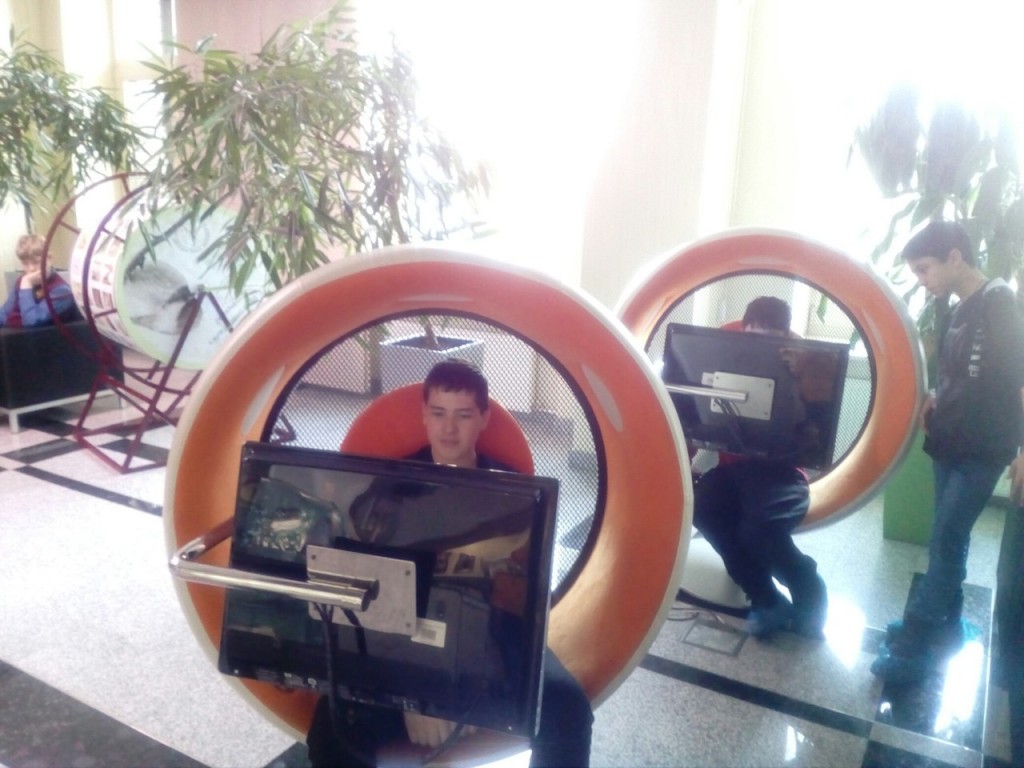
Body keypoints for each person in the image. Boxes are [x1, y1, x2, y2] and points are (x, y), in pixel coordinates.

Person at [307, 359, 593, 767]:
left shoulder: (516, 492)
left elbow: (528, 602)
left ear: (484, 419)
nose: (449, 429)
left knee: (568, 709)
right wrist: (415, 693)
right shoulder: (392, 488)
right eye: (439, 414)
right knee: (330, 727)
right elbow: (370, 601)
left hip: (493, 634)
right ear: (424, 416)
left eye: (463, 415)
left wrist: (470, 685)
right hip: (405, 641)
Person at [872, 220, 1024, 683]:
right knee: (948, 537)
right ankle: (949, 626)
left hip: (983, 448)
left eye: (925, 269)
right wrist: (936, 394)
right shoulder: (957, 307)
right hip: (950, 439)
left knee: (946, 539)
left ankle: (915, 644)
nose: (922, 280)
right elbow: (958, 370)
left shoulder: (1000, 302)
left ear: (955, 257)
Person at [691, 296, 829, 640]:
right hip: (733, 467)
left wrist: (799, 375)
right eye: (754, 336)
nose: (761, 346)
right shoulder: (724, 354)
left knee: (760, 530)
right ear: (744, 328)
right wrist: (684, 459)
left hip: (782, 472)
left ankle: (807, 587)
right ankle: (766, 598)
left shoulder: (806, 365)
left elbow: (816, 431)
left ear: (785, 335)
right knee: (702, 509)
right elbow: (695, 413)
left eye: (771, 339)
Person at [0, 234, 77, 328]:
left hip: (42, 336)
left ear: (49, 258)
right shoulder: (21, 281)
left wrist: (26, 284)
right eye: (25, 264)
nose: (31, 269)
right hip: (12, 333)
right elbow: (5, 312)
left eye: (36, 262)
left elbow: (31, 321)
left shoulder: (62, 291)